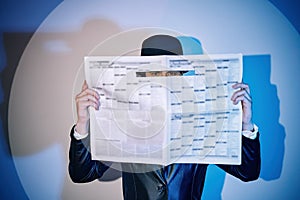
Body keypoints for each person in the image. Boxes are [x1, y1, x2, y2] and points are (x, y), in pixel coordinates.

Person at [69, 35, 261, 199]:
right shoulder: (123, 120)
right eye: (154, 73)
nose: (162, 81)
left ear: (182, 77)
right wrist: (83, 123)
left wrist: (246, 125)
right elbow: (82, 174)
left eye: (170, 74)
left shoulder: (203, 121)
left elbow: (247, 173)